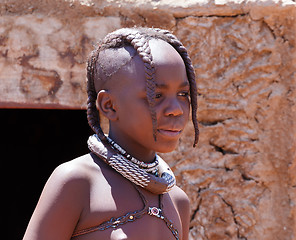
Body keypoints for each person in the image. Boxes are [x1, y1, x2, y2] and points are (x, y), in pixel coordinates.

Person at [23, 27, 199, 240]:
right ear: (109, 106)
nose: (176, 109)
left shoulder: (177, 201)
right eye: (157, 95)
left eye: (183, 94)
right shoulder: (78, 183)